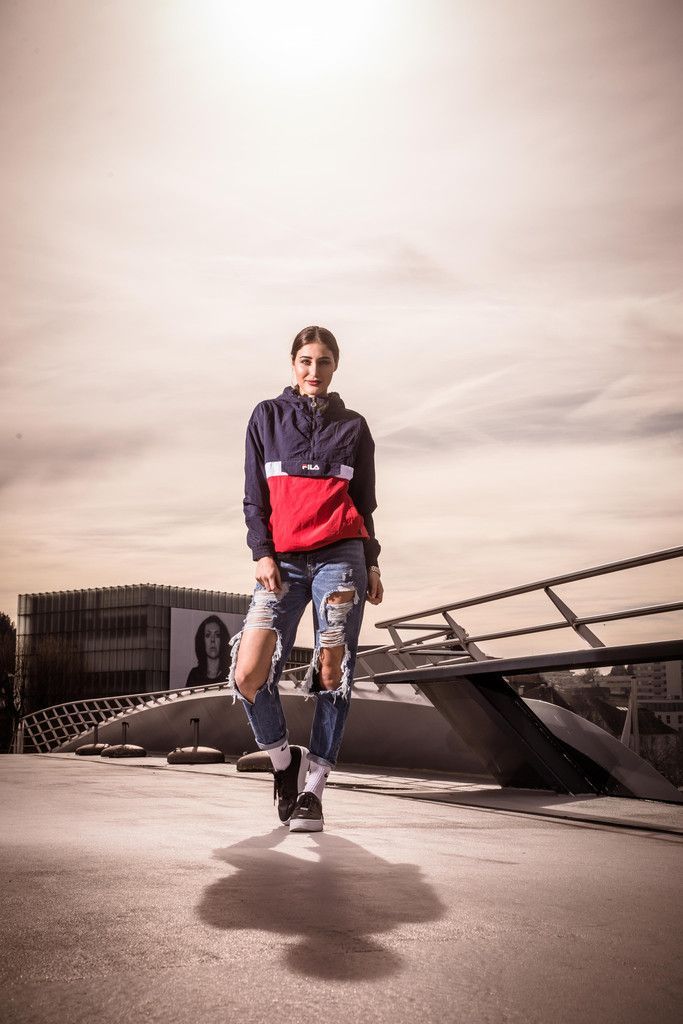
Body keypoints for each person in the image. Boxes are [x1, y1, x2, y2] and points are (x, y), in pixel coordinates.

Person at [229, 325, 383, 832]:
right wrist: (262, 552)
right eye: (305, 361)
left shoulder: (354, 427)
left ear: (335, 366)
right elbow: (254, 496)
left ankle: (313, 790)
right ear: (293, 365)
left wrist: (372, 562)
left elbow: (364, 505)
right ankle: (284, 763)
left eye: (324, 361)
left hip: (341, 557)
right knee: (249, 674)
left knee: (332, 668)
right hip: (284, 561)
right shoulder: (267, 416)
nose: (314, 370)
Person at [186, 615, 231, 685]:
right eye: (208, 635)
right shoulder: (194, 675)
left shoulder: (231, 674)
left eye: (217, 635)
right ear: (202, 640)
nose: (212, 640)